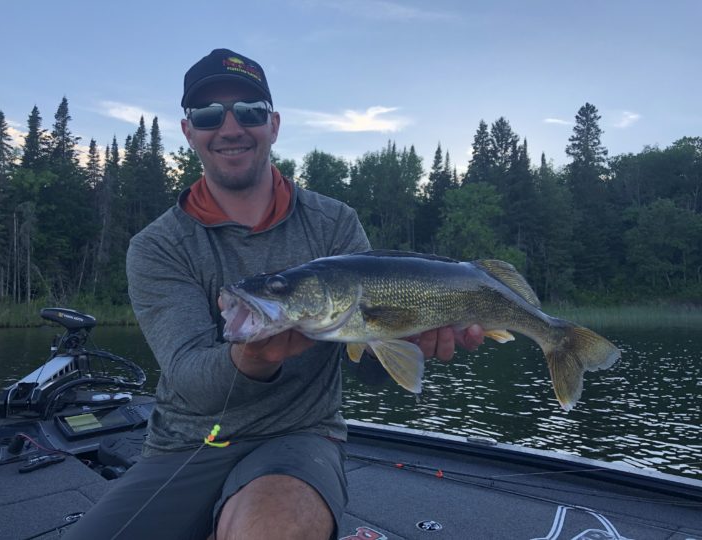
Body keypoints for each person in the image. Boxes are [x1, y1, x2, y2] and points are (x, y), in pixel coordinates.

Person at [66, 48, 484, 540]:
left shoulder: (334, 223)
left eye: (249, 111)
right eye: (207, 114)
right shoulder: (159, 246)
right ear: (188, 131)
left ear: (274, 124)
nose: (230, 128)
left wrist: (409, 338)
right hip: (186, 443)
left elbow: (368, 369)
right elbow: (189, 377)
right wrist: (254, 358)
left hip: (300, 435)